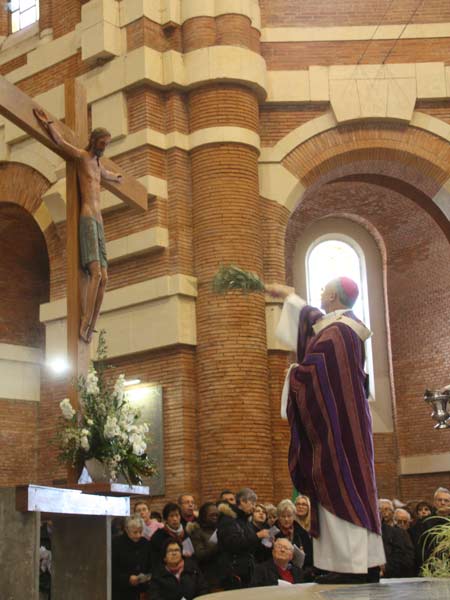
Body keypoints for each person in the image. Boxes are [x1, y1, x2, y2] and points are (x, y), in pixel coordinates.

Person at [266, 278, 385, 584]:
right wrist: (290, 298)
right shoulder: (342, 328)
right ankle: (364, 564)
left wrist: (294, 375)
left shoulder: (338, 333)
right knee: (351, 490)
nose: (320, 294)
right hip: (345, 427)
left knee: (340, 488)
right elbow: (313, 322)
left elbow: (315, 372)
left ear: (332, 295)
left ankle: (353, 567)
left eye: (323, 290)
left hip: (339, 434)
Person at [34, 109, 122, 343]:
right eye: (102, 143)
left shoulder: (98, 165)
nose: (104, 148)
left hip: (99, 222)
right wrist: (48, 123)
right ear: (94, 141)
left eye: (107, 144)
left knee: (105, 277)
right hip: (88, 218)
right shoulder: (83, 157)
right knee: (95, 273)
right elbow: (61, 143)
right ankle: (84, 319)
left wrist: (117, 178)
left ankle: (93, 323)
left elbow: (109, 175)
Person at [217, 487, 269, 589]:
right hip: (233, 572)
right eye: (252, 503)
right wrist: (257, 536)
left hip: (247, 571)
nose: (253, 507)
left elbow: (250, 545)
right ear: (242, 501)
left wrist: (265, 541)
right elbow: (233, 543)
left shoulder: (245, 521)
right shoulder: (228, 520)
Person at [111, 516, 152, 600]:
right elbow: (112, 570)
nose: (138, 535)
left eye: (140, 532)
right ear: (127, 530)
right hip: (121, 592)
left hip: (142, 591)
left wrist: (147, 577)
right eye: (135, 532)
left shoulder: (145, 543)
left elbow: (150, 564)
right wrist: (127, 579)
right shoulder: (116, 544)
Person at [187, 502, 221, 591]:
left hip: (224, 573)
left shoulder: (221, 528)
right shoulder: (197, 532)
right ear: (203, 516)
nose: (215, 517)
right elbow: (200, 554)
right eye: (211, 515)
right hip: (209, 575)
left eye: (217, 515)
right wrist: (218, 544)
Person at [274, 499, 313, 572]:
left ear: (294, 516)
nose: (286, 519)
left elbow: (310, 558)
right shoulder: (272, 532)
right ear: (278, 517)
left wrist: (303, 555)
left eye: (289, 516)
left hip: (299, 572)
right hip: (276, 571)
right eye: (283, 516)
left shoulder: (302, 533)